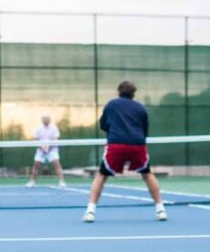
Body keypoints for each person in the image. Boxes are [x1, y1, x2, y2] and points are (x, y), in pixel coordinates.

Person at [83, 80, 167, 222]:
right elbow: (145, 130)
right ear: (134, 93)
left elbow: (103, 125)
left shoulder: (111, 105)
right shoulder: (141, 108)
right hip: (137, 145)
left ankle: (90, 212)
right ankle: (160, 209)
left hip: (116, 145)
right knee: (147, 174)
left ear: (119, 91)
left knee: (101, 176)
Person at [25, 115, 66, 188]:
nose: (46, 120)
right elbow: (36, 139)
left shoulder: (54, 128)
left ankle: (61, 182)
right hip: (41, 150)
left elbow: (55, 139)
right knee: (36, 165)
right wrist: (43, 148)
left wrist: (49, 148)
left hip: (52, 149)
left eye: (47, 119)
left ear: (50, 120)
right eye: (44, 119)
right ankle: (32, 182)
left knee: (56, 164)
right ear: (42, 120)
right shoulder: (38, 128)